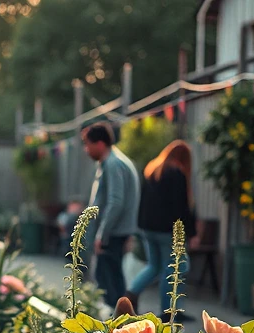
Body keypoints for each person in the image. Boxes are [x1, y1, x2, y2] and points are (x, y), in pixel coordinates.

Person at [126, 140, 198, 321]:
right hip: (168, 231)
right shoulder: (177, 173)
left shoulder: (153, 170)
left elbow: (142, 201)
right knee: (175, 268)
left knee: (154, 266)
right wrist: (192, 233)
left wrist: (140, 225)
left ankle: (130, 294)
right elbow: (181, 208)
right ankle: (169, 312)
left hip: (148, 228)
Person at [82, 122, 140, 308]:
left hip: (113, 232)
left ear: (100, 144)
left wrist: (102, 234)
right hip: (114, 231)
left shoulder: (114, 164)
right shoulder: (111, 162)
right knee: (111, 277)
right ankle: (123, 322)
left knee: (109, 280)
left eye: (87, 144)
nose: (86, 149)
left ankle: (123, 323)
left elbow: (116, 202)